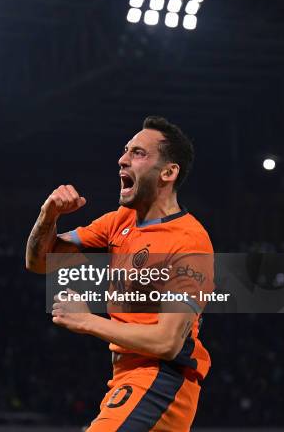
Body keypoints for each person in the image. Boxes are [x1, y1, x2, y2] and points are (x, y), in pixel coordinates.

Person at [25, 116, 214, 431]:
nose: (122, 159)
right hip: (127, 377)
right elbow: (40, 261)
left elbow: (167, 342)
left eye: (138, 153)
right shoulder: (120, 221)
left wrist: (86, 320)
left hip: (161, 380)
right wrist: (49, 216)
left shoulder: (188, 241)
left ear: (168, 172)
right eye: (126, 150)